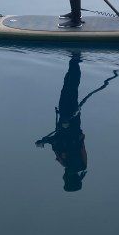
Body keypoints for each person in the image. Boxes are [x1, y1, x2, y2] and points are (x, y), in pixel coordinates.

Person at [35, 52, 88, 192]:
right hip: (69, 120)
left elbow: (62, 142)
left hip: (69, 120)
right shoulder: (71, 164)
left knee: (68, 89)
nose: (63, 178)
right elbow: (76, 142)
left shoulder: (78, 166)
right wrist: (44, 141)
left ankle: (74, 62)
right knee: (70, 90)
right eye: (65, 181)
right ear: (69, 180)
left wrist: (44, 141)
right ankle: (75, 60)